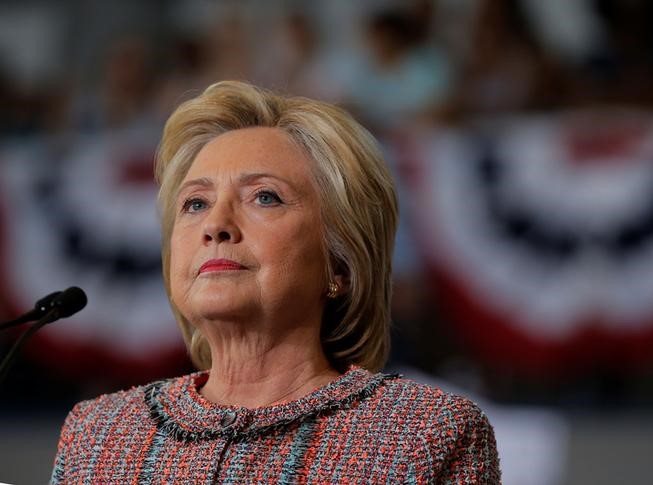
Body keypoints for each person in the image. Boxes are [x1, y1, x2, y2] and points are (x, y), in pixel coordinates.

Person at [51, 81, 501, 484]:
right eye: (195, 204)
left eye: (264, 197)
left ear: (339, 264)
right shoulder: (97, 436)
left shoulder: (426, 436)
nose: (216, 225)